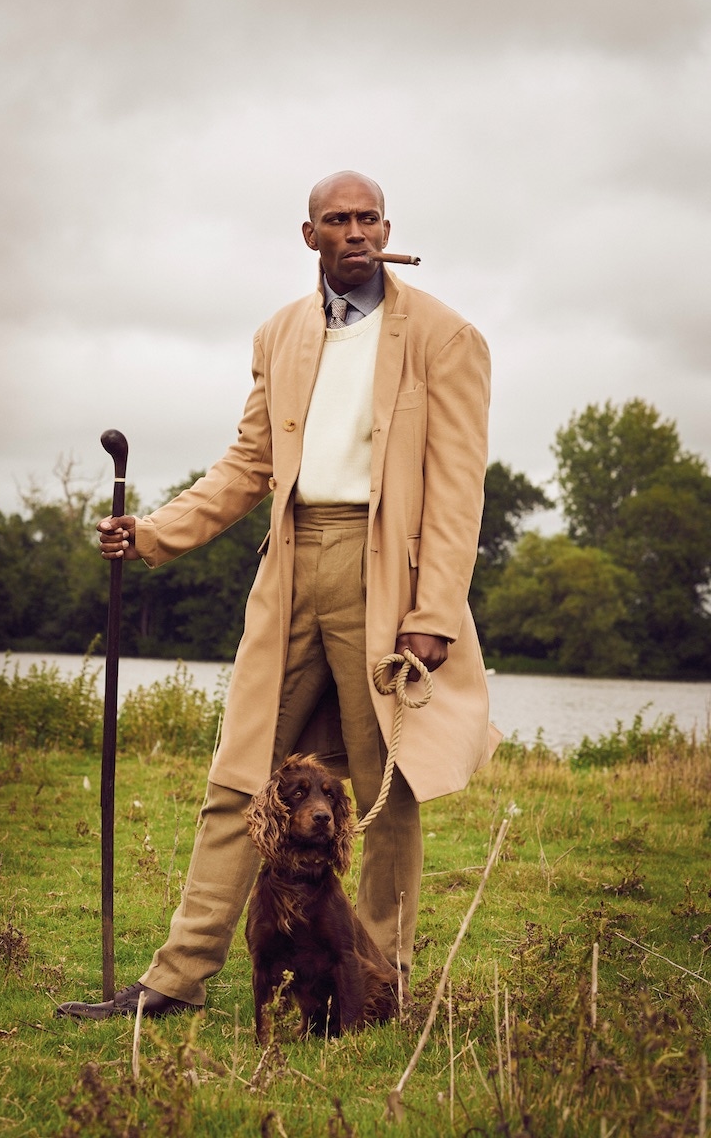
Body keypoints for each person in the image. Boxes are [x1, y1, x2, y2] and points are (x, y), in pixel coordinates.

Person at [57, 170, 500, 1021]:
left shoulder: (446, 336)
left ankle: (376, 986)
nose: (358, 231)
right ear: (312, 237)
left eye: (370, 217)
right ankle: (177, 978)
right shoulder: (281, 334)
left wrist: (435, 612)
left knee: (383, 791)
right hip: (294, 564)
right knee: (240, 775)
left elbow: (458, 488)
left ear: (387, 227)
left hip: (389, 577)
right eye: (339, 220)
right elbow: (247, 466)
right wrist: (153, 533)